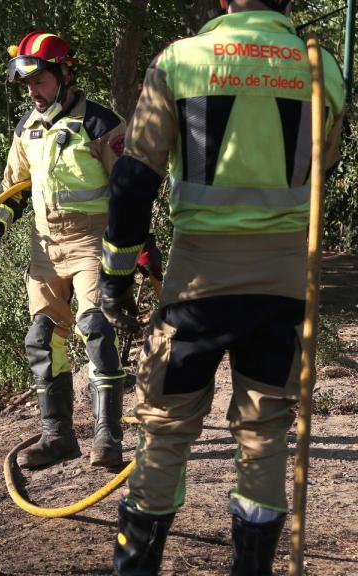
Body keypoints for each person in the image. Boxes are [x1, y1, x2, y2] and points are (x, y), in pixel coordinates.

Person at [99, 0, 346, 574]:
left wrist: (116, 272)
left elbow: (135, 178)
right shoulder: (321, 67)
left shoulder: (181, 60)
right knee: (265, 435)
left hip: (197, 283)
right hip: (287, 283)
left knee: (163, 430)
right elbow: (323, 165)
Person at [0, 31, 139, 469]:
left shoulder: (102, 124)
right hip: (46, 248)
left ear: (65, 75)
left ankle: (108, 439)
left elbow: (129, 194)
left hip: (92, 242)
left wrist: (137, 251)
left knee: (95, 329)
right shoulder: (27, 128)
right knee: (43, 338)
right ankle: (58, 437)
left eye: (39, 81)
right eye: (26, 85)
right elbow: (14, 192)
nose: (32, 92)